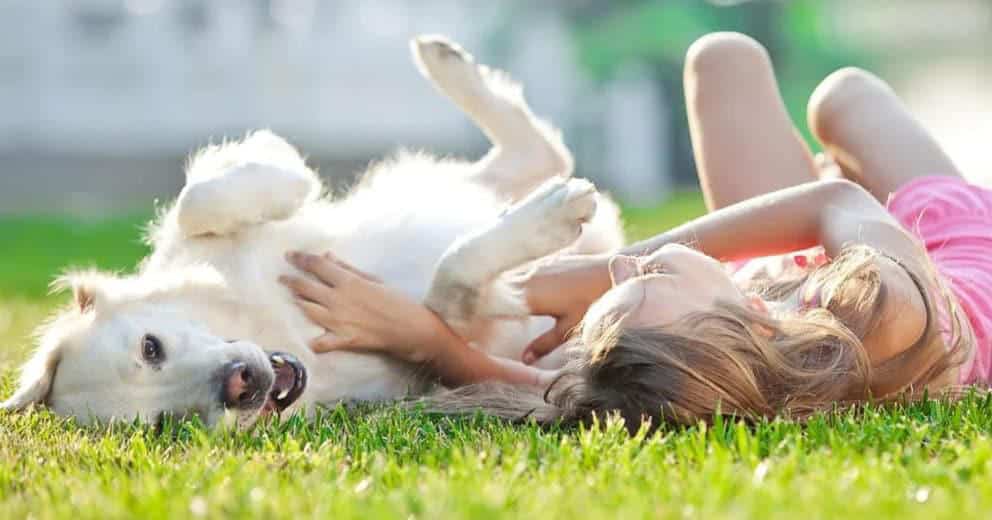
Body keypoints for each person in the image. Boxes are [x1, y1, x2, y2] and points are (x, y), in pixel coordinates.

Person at [281, 32, 992, 429]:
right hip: (948, 257)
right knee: (844, 98)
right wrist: (598, 270)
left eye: (613, 293)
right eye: (646, 277)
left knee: (721, 60)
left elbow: (533, 384)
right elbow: (831, 202)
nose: (622, 272)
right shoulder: (893, 316)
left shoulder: (701, 373)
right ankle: (837, 154)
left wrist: (425, 340)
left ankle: (810, 178)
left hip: (792, 269)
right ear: (746, 318)